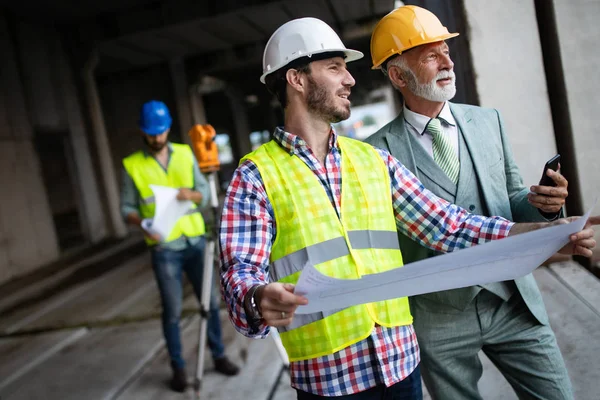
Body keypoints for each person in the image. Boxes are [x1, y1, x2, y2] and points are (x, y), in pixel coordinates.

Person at [219, 17, 597, 400]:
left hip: (400, 364)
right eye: (335, 68)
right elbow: (239, 275)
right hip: (329, 377)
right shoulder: (255, 177)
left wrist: (543, 237)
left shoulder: (372, 161)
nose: (350, 79)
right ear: (296, 80)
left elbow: (448, 226)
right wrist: (257, 298)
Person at [364, 5, 574, 399]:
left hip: (513, 302)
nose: (448, 62)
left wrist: (543, 207)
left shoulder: (487, 120)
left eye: (447, 50)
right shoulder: (374, 153)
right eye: (431, 55)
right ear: (397, 75)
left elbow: (511, 200)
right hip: (438, 320)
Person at [120, 100, 239, 393]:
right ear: (143, 132)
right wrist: (141, 223)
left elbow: (202, 193)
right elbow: (126, 209)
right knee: (172, 312)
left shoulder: (186, 154)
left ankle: (219, 355)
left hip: (195, 241)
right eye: (151, 133)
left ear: (168, 129)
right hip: (163, 247)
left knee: (210, 305)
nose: (156, 138)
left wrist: (192, 195)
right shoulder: (131, 165)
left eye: (160, 132)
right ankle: (179, 368)